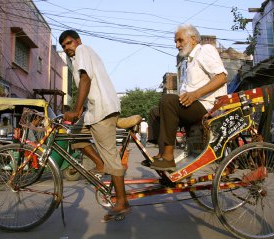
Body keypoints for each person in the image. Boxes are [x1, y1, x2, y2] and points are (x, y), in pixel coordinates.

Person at [59, 29, 130, 220]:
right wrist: (80, 111)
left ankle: (122, 202)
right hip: (93, 111)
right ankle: (99, 164)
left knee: (110, 155)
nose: (67, 48)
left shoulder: (83, 50)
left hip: (103, 110)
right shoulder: (77, 59)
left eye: (69, 43)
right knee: (74, 135)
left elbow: (85, 79)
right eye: (63, 46)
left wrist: (76, 109)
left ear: (77, 41)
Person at [148, 24, 228, 171]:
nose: (177, 45)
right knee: (155, 112)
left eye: (180, 40)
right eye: (176, 42)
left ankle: (168, 157)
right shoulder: (188, 62)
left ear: (192, 39)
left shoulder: (204, 50)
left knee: (168, 100)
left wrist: (195, 94)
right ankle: (162, 154)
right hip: (192, 106)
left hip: (208, 106)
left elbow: (221, 77)